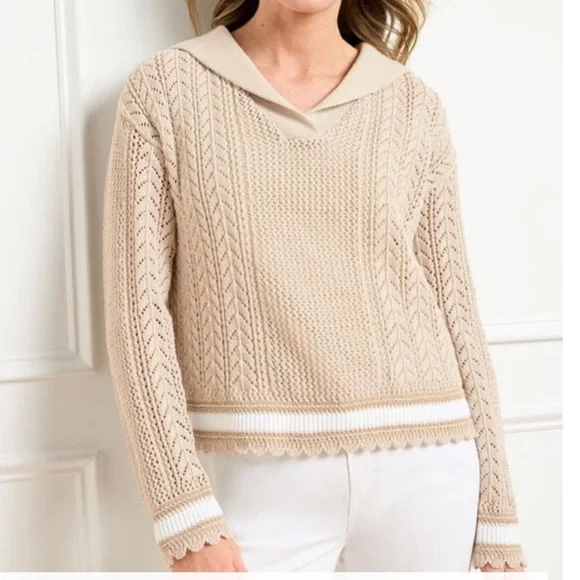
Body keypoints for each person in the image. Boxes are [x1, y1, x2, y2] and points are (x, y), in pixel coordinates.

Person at [102, 0, 527, 573]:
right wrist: (181, 510)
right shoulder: (165, 90)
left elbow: (456, 308)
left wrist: (498, 509)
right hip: (255, 472)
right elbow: (136, 316)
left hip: (427, 465)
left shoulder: (411, 104)